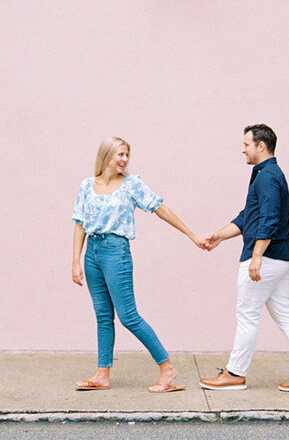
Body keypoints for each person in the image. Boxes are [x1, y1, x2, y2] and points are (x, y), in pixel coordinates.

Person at [71, 136, 208, 393]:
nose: (124, 160)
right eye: (119, 154)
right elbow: (79, 223)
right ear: (106, 156)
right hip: (92, 254)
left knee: (128, 316)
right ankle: (102, 374)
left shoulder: (131, 185)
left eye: (126, 155)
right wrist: (75, 262)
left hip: (116, 252)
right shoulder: (87, 185)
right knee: (103, 317)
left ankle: (167, 368)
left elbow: (160, 208)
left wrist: (191, 235)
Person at [199, 124, 289, 392]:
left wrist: (257, 256)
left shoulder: (267, 177)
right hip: (282, 258)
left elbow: (269, 218)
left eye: (246, 144)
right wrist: (220, 235)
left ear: (261, 146)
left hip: (267, 259)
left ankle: (234, 373)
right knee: (284, 314)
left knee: (247, 315)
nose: (242, 148)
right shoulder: (267, 174)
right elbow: (249, 216)